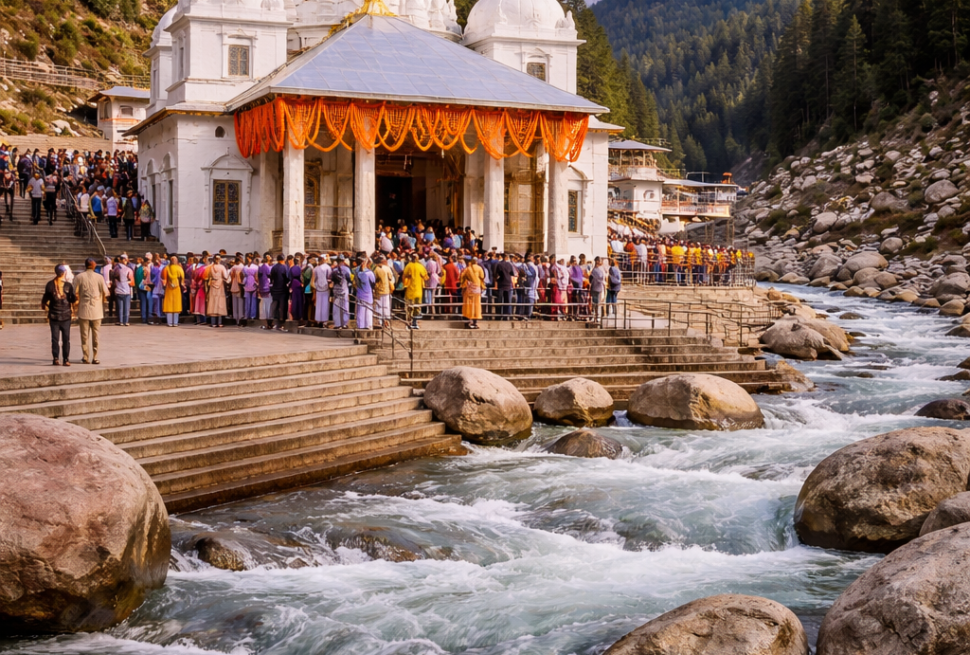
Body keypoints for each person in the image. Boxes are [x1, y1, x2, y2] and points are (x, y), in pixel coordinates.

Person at [73, 258, 108, 364]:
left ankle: (85, 356)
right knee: (96, 335)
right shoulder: (99, 277)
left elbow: (74, 292)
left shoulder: (79, 277)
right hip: (97, 310)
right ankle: (95, 356)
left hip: (84, 309)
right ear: (93, 265)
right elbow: (106, 292)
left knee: (84, 335)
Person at [41, 265, 77, 366]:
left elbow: (45, 300)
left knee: (55, 339)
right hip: (64, 316)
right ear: (64, 273)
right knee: (66, 339)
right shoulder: (68, 286)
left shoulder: (50, 285)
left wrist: (45, 306)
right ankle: (66, 359)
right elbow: (72, 299)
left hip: (55, 315)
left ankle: (56, 358)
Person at [402, 253, 428, 329]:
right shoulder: (420, 266)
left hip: (410, 291)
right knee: (417, 307)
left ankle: (409, 322)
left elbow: (404, 275)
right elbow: (426, 277)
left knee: (409, 308)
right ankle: (415, 322)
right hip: (418, 291)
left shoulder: (408, 266)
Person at [460, 256, 485, 329]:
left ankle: (467, 322)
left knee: (468, 305)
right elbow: (482, 276)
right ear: (476, 262)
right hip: (477, 289)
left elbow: (462, 277)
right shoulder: (479, 268)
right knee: (476, 305)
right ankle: (474, 322)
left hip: (469, 288)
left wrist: (463, 283)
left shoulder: (467, 269)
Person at [205, 254, 230, 327]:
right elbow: (225, 276)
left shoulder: (210, 267)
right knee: (220, 302)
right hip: (220, 285)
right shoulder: (222, 267)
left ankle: (213, 323)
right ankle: (219, 322)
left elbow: (207, 277)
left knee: (212, 302)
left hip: (212, 285)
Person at [161, 254, 185, 326]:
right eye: (172, 259)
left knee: (176, 305)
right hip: (169, 288)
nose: (173, 260)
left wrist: (182, 284)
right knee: (169, 305)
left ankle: (175, 322)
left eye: (174, 259)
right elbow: (164, 278)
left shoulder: (178, 268)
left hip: (176, 288)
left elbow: (182, 278)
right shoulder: (167, 268)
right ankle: (170, 322)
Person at [111, 254, 134, 326]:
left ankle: (120, 321)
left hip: (118, 290)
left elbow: (113, 279)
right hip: (127, 290)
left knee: (120, 307)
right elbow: (132, 282)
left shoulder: (115, 269)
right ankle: (126, 321)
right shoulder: (129, 269)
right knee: (126, 307)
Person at [269, 254, 290, 330]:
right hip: (282, 289)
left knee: (275, 305)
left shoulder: (274, 267)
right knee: (282, 306)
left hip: (275, 289)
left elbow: (271, 278)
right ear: (283, 260)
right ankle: (282, 321)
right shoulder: (284, 267)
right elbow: (287, 278)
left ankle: (273, 320)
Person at [354, 257, 376, 330]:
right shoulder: (369, 273)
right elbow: (373, 283)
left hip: (360, 294)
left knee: (360, 311)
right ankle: (368, 325)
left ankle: (360, 325)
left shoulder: (357, 272)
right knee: (368, 311)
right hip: (368, 294)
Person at [373, 255, 394, 328]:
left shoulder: (376, 269)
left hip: (378, 290)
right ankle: (386, 321)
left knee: (379, 306)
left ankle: (380, 321)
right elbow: (391, 278)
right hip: (386, 289)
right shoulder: (387, 268)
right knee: (386, 305)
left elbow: (374, 279)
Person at [330, 255, 351, 330]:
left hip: (336, 290)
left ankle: (337, 324)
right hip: (344, 290)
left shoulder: (334, 270)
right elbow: (349, 280)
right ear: (343, 261)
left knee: (336, 307)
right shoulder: (347, 269)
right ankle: (344, 324)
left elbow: (332, 279)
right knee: (345, 307)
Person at [311, 254, 332, 327]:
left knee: (319, 305)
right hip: (325, 288)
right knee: (325, 305)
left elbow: (314, 279)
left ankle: (318, 320)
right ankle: (324, 321)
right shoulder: (327, 267)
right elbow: (329, 278)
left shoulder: (316, 268)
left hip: (318, 288)